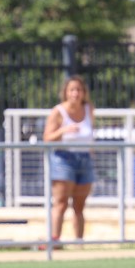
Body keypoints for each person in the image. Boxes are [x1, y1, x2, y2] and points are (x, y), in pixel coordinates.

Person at [42, 75, 95, 247]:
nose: (75, 93)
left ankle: (79, 242)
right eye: (72, 90)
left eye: (79, 90)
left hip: (85, 159)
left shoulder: (88, 109)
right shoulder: (58, 111)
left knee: (79, 206)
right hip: (63, 159)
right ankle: (54, 241)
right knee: (61, 203)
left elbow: (90, 135)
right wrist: (65, 130)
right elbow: (47, 139)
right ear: (66, 92)